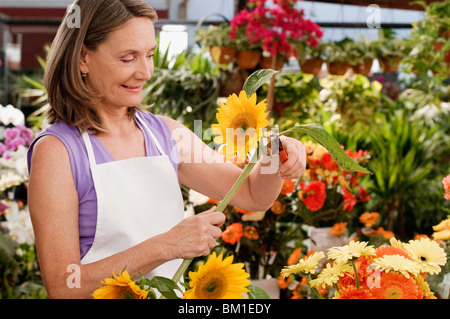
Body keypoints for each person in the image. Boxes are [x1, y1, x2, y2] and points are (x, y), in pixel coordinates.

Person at [27, 0, 306, 299]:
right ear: (83, 58)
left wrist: (276, 157)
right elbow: (62, 285)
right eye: (127, 58)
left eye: (149, 55)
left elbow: (253, 195)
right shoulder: (58, 151)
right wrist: (166, 246)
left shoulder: (166, 135)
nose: (146, 72)